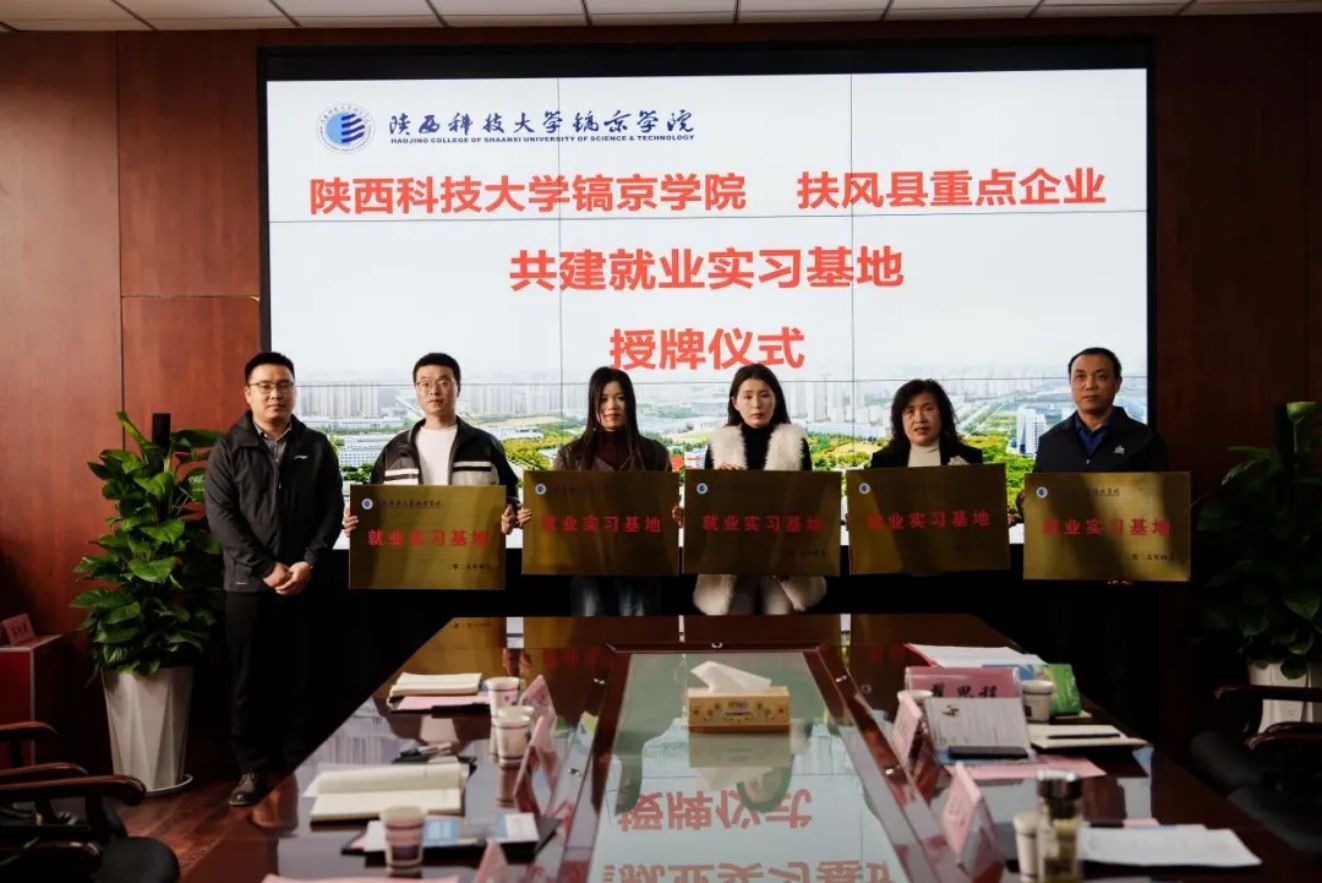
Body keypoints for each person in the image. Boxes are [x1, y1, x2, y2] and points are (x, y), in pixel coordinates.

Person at [204, 352, 344, 807]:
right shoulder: (229, 449)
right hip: (248, 587)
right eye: (264, 386)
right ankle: (251, 770)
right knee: (248, 682)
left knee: (304, 678)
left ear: (294, 391)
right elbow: (221, 517)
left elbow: (332, 509)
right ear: (248, 393)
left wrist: (308, 563)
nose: (275, 394)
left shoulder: (316, 446)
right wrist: (266, 568)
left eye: (283, 385)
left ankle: (302, 764)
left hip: (304, 582)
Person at [1031, 347, 1169, 737]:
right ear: (1070, 385)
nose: (1090, 385)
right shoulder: (1052, 441)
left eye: (1101, 376)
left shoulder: (1143, 441)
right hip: (1065, 582)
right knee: (1064, 669)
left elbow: (1161, 509)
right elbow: (1043, 502)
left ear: (1117, 384)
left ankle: (1128, 756)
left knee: (1123, 676)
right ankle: (1065, 746)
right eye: (1080, 376)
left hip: (1121, 586)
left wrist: (1139, 564)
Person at [515, 367, 675, 616]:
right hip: (589, 571)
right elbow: (554, 512)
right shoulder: (571, 456)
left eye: (620, 398)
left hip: (641, 570)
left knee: (641, 637)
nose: (612, 406)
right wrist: (529, 516)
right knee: (591, 638)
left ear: (631, 403)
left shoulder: (654, 454)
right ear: (592, 404)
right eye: (603, 399)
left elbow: (665, 512)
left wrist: (675, 516)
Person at [693, 364, 826, 616]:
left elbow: (809, 505)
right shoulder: (719, 444)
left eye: (765, 394)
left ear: (776, 399)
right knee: (735, 627)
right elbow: (706, 510)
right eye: (748, 396)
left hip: (781, 565)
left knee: (779, 624)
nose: (756, 404)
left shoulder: (794, 442)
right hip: (731, 565)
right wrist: (718, 487)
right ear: (735, 402)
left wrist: (792, 558)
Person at [342, 352, 520, 537]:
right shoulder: (395, 449)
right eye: (425, 384)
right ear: (416, 390)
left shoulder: (486, 445)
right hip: (410, 551)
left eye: (443, 382)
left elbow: (511, 497)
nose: (434, 391)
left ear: (458, 388)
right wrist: (354, 516)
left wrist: (510, 511)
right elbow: (371, 503)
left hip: (470, 549)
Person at [870, 379, 983, 468]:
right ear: (900, 419)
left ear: (942, 413)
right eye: (910, 411)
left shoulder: (970, 458)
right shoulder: (882, 461)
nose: (919, 419)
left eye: (928, 409)